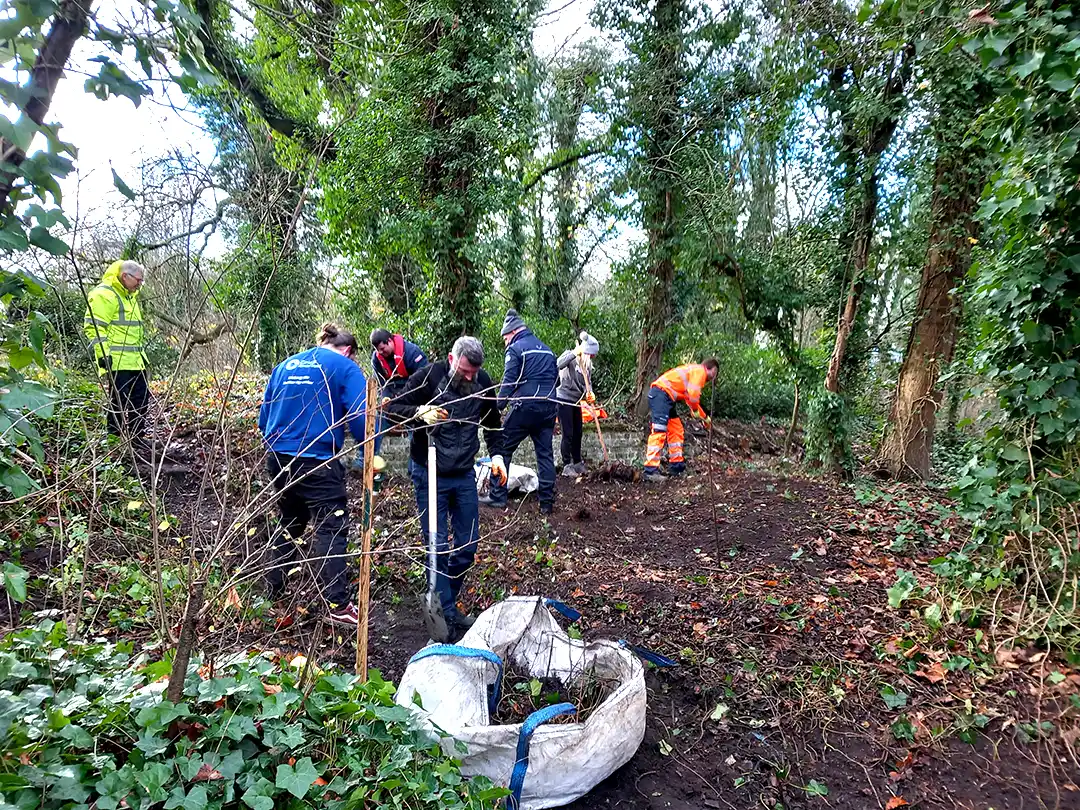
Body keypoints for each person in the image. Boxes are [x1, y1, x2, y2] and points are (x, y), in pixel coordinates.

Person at [384, 336, 506, 642]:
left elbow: (493, 423)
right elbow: (392, 406)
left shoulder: (482, 382)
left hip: (463, 472)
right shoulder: (430, 375)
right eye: (464, 371)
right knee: (436, 545)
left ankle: (446, 602)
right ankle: (444, 613)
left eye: (474, 372)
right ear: (452, 360)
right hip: (430, 471)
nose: (469, 377)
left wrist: (499, 456)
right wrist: (418, 413)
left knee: (467, 547)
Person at [258, 323, 368, 627]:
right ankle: (338, 605)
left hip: (279, 459)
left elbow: (263, 417)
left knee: (290, 522)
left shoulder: (285, 365)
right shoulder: (345, 367)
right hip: (316, 461)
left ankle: (274, 590)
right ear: (348, 351)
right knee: (331, 527)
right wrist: (368, 453)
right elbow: (361, 417)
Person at [482, 309, 559, 514]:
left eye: (505, 337)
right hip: (550, 406)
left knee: (502, 447)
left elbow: (509, 382)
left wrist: (495, 408)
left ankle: (497, 496)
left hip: (525, 406)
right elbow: (556, 381)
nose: (505, 341)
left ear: (513, 331)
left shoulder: (516, 349)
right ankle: (546, 504)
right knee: (545, 454)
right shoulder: (548, 350)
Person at [83, 260, 149, 452]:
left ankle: (137, 440)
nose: (139, 284)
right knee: (118, 403)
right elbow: (94, 327)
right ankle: (113, 445)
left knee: (141, 400)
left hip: (136, 361)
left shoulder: (130, 297)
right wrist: (103, 355)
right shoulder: (104, 294)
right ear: (125, 276)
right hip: (117, 362)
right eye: (138, 280)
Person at [644, 359, 719, 481]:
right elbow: (694, 396)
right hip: (661, 395)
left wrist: (705, 418)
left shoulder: (694, 373)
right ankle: (650, 470)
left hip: (666, 397)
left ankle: (676, 467)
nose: (713, 377)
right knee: (659, 431)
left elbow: (692, 400)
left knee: (676, 429)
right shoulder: (700, 371)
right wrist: (695, 410)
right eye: (714, 373)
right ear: (711, 368)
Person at [369, 328, 428, 453]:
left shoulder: (412, 352)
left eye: (382, 349)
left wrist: (404, 399)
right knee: (375, 424)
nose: (380, 352)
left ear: (390, 341)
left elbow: (423, 380)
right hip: (391, 399)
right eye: (377, 350)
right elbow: (382, 384)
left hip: (412, 399)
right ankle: (364, 463)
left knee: (416, 436)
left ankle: (415, 470)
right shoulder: (377, 359)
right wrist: (385, 399)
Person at [556, 332, 600, 477]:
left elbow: (588, 384)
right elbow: (557, 364)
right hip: (563, 399)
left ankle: (577, 462)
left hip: (576, 401)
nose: (593, 358)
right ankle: (566, 465)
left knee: (578, 433)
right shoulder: (571, 356)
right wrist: (574, 354)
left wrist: (590, 394)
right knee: (567, 433)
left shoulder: (587, 366)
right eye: (592, 355)